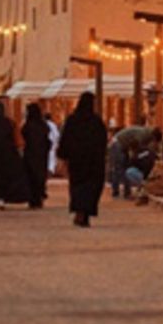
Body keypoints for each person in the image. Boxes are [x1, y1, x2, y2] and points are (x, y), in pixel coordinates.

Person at [57, 91, 110, 227]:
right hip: (93, 162)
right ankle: (85, 213)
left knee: (78, 186)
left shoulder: (72, 120)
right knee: (91, 187)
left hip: (77, 162)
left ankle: (80, 211)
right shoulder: (96, 122)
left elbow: (65, 139)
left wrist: (63, 156)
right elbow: (103, 141)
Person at [21, 102, 52, 210]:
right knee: (40, 177)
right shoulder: (43, 125)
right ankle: (39, 197)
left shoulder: (28, 125)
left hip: (30, 154)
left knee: (31, 177)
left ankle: (32, 199)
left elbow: (24, 135)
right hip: (42, 154)